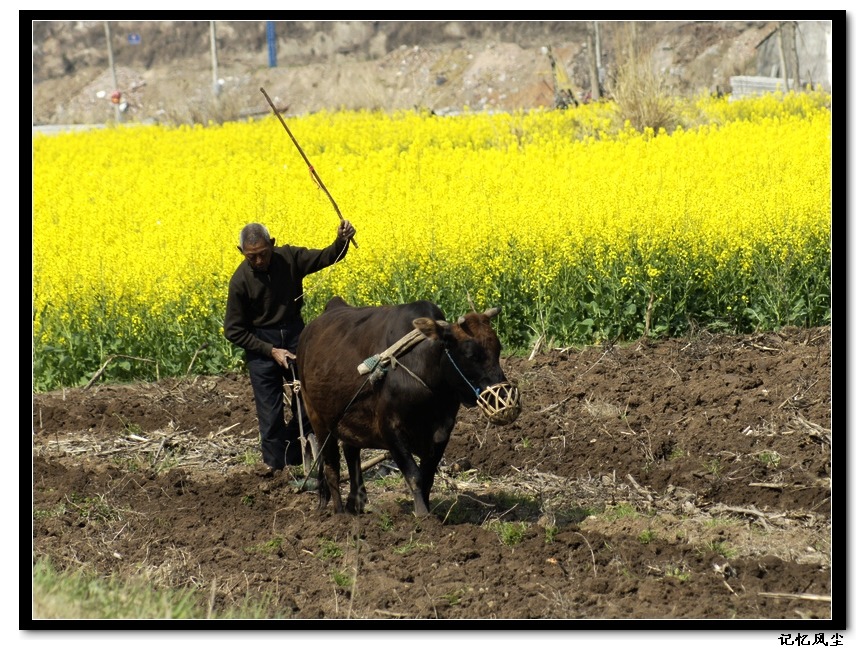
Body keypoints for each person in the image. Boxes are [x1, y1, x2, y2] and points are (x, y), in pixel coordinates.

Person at [224, 220, 357, 473]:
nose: (260, 261)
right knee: (270, 416)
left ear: (272, 244)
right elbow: (233, 330)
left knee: (310, 403)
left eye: (263, 254)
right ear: (240, 251)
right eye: (252, 257)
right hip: (261, 346)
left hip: (296, 336)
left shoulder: (289, 258)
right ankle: (276, 470)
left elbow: (329, 256)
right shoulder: (240, 281)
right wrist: (270, 350)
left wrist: (342, 239)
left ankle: (301, 457)